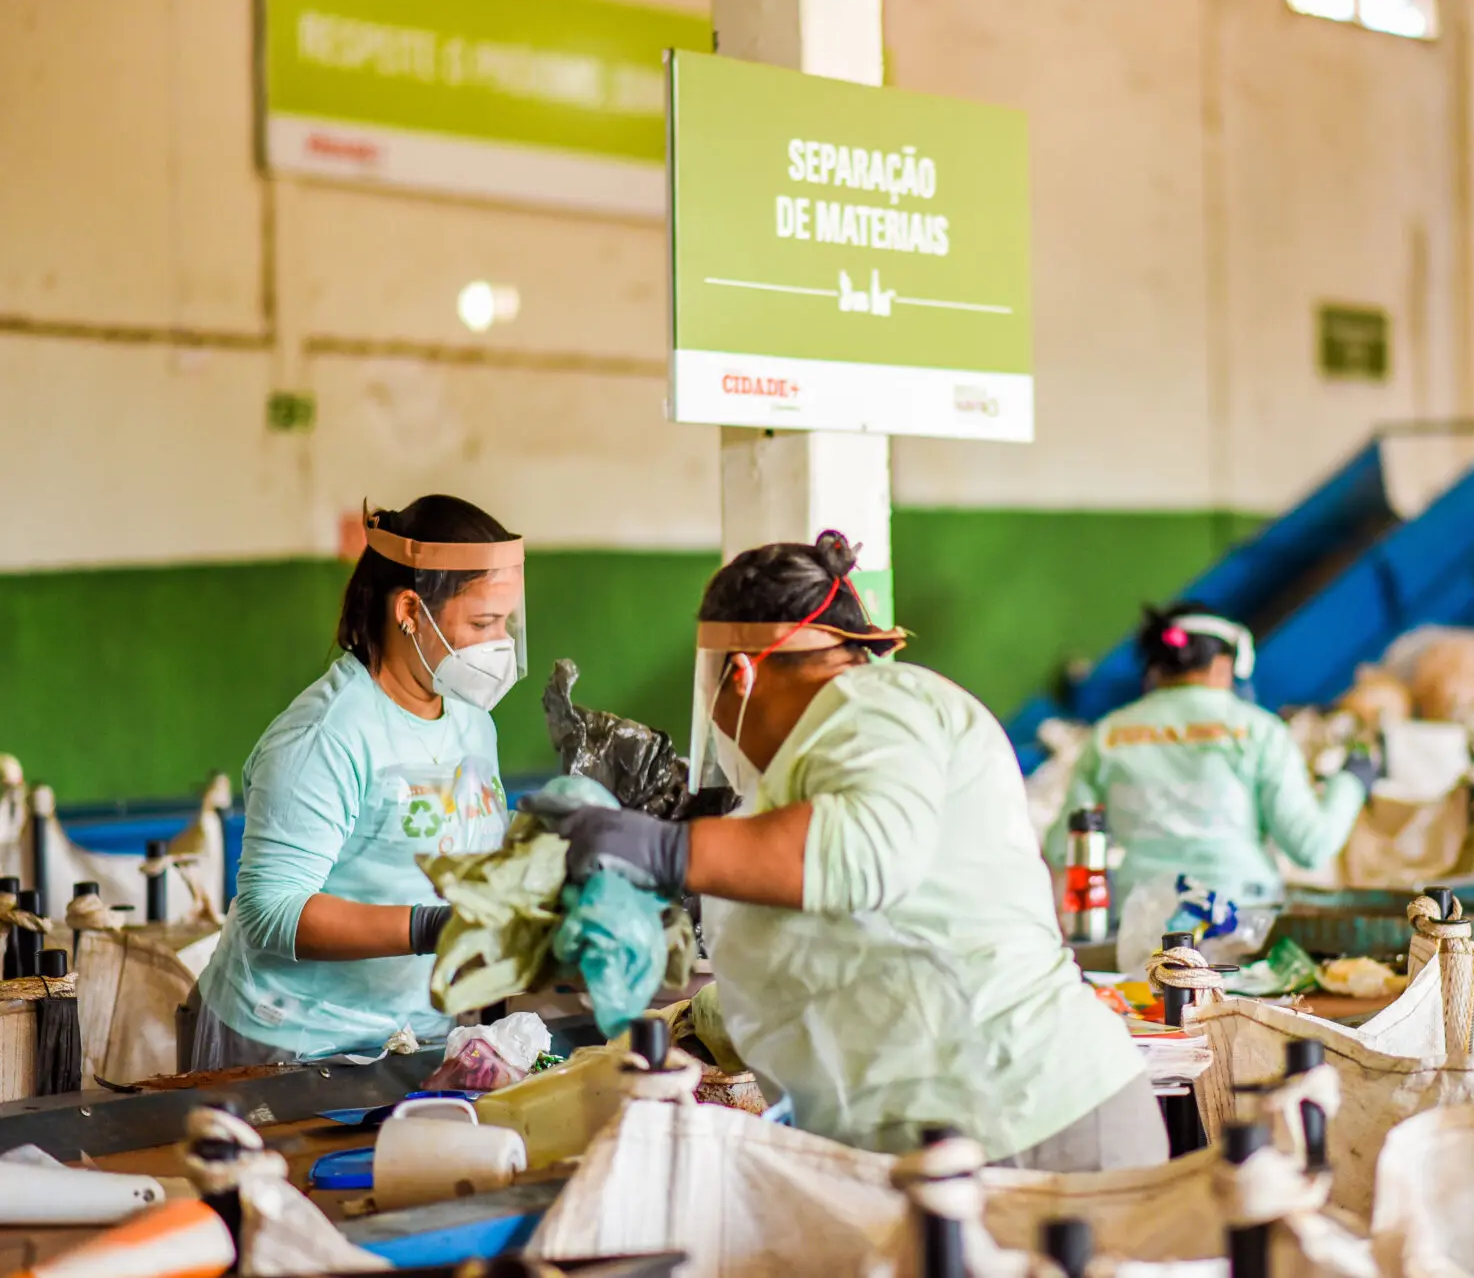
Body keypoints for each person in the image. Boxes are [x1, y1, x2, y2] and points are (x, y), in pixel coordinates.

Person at [551, 532, 1162, 1172]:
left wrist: (657, 846)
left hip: (1027, 1123)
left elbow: (864, 857)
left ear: (740, 671)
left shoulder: (875, 706)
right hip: (958, 1133)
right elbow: (853, 952)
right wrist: (699, 1022)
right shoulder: (819, 766)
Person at [189, 496, 526, 1067]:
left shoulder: (471, 720)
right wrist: (430, 927)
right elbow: (272, 911)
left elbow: (459, 833)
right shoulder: (327, 734)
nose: (499, 643)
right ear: (411, 610)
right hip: (290, 1041)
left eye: (506, 623)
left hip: (413, 1033)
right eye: (481, 623)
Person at [1044, 604, 1374, 912]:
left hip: (1139, 918)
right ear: (1224, 664)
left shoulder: (1107, 736)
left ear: (1154, 669)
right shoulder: (1259, 731)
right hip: (1243, 918)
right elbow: (1310, 846)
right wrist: (1352, 782)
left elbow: (1062, 847)